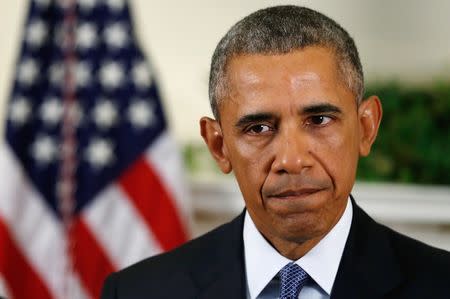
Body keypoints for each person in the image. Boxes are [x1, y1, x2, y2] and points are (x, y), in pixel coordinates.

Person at [100, 5, 450, 299]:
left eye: (319, 119)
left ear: (366, 128)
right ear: (219, 146)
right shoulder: (137, 292)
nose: (292, 160)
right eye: (258, 128)